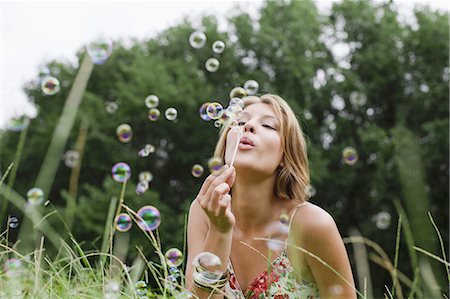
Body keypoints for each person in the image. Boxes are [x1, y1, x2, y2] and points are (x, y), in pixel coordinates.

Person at [185, 94, 356, 298]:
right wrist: (219, 231)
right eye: (240, 122)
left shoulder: (312, 225)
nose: (248, 125)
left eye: (268, 126)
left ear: (286, 155)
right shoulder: (204, 212)